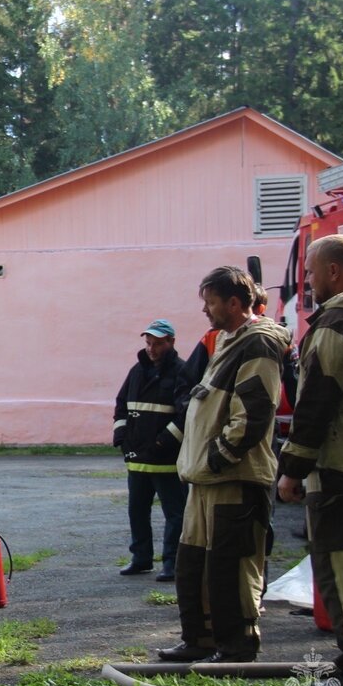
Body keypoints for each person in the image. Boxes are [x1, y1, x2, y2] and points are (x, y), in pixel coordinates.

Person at [158, 266, 290, 664]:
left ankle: (236, 646)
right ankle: (199, 640)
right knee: (195, 564)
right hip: (207, 479)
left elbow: (252, 413)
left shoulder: (259, 343)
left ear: (234, 303)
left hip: (233, 477)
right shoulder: (228, 340)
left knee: (231, 567)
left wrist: (217, 458)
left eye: (211, 302)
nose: (205, 310)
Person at [276, 234, 343, 686]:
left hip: (342, 467)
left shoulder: (336, 326)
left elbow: (315, 406)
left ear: (334, 272)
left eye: (312, 273)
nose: (310, 283)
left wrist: (293, 469)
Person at [113, 319, 190, 581]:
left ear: (171, 342)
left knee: (175, 515)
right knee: (137, 511)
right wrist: (121, 436)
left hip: (166, 460)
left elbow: (186, 414)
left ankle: (173, 563)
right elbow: (122, 403)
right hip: (137, 460)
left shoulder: (182, 371)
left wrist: (163, 441)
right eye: (148, 343)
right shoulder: (137, 370)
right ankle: (141, 558)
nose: (151, 349)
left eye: (157, 343)